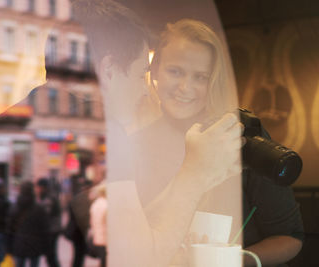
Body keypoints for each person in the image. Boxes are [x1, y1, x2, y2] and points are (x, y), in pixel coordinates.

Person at [73, 1, 243, 266]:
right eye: (142, 74)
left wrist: (202, 176)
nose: (145, 89)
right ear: (108, 70)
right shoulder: (114, 134)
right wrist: (195, 175)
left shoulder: (99, 127)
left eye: (201, 77)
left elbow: (140, 229)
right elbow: (141, 259)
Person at [147, 19, 303, 266]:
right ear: (154, 69)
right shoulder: (137, 144)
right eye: (175, 71)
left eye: (200, 77)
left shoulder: (242, 136)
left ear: (213, 80)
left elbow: (289, 237)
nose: (185, 87)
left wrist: (233, 260)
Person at [7, 181, 49, 267]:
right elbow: (45, 228)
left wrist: (8, 247)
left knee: (19, 264)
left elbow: (9, 228)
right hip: (35, 244)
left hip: (19, 243)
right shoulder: (39, 209)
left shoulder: (14, 207)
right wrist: (45, 246)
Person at [35, 178, 61, 267]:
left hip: (51, 231)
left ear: (43, 188)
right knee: (50, 255)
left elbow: (45, 214)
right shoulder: (46, 197)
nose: (37, 190)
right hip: (50, 230)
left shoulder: (49, 199)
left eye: (38, 187)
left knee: (50, 255)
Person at [89, 183, 107, 267]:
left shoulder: (95, 204)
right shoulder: (106, 205)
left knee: (102, 259)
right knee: (104, 260)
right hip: (105, 238)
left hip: (97, 236)